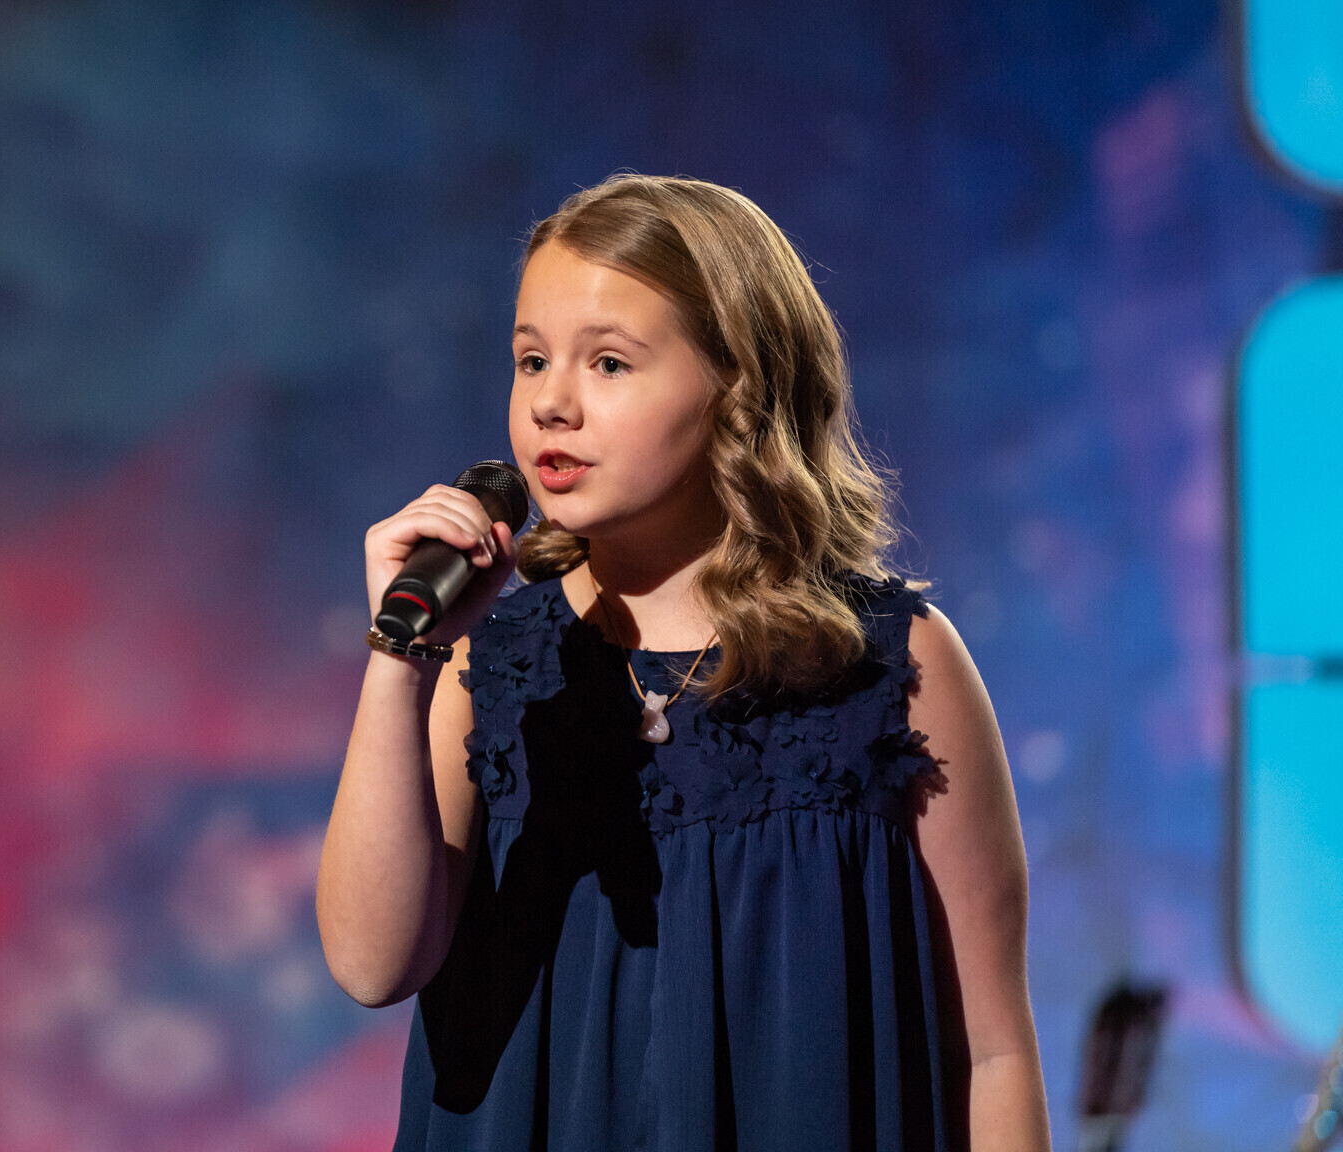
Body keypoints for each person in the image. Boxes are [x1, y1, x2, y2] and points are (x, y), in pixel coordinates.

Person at [317, 175, 1050, 1151]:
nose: (551, 404)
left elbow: (990, 1053)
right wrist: (400, 655)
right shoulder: (481, 666)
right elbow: (371, 967)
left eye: (608, 363)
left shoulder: (892, 669)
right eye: (530, 360)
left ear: (737, 387)